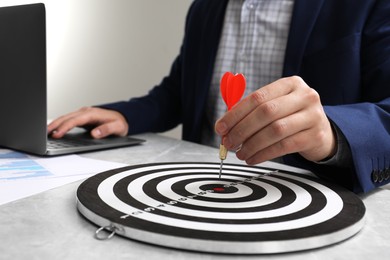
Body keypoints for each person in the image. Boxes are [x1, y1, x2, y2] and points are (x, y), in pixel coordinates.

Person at [48, 0, 390, 193]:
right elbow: (177, 94)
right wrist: (125, 116)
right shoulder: (204, 9)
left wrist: (332, 134)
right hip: (196, 191)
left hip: (305, 202)